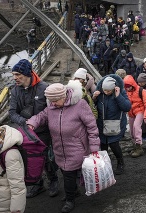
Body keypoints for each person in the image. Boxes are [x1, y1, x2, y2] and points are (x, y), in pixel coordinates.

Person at [27, 82, 100, 213]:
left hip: (77, 147)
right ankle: (74, 191)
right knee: (65, 170)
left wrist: (94, 146)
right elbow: (41, 116)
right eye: (51, 101)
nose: (52, 103)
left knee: (68, 174)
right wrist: (32, 123)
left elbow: (92, 127)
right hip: (59, 148)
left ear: (64, 96)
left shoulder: (80, 105)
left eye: (55, 100)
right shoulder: (51, 106)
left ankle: (70, 200)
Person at [9, 59, 59, 198]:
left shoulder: (44, 88)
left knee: (45, 156)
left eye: (18, 74)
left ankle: (53, 180)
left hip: (43, 130)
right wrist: (24, 121)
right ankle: (38, 183)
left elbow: (52, 110)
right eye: (13, 74)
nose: (15, 78)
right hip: (25, 131)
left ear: (27, 73)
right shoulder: (15, 91)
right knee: (30, 158)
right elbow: (12, 112)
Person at [92, 75, 131, 174]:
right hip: (101, 124)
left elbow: (127, 107)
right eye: (105, 90)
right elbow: (92, 106)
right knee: (103, 145)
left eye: (109, 91)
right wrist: (94, 98)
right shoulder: (100, 92)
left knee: (114, 144)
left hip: (115, 124)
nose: (106, 92)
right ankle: (105, 165)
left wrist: (118, 96)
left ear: (113, 88)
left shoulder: (120, 92)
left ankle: (120, 162)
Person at [123, 75, 146, 158]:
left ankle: (139, 147)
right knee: (131, 130)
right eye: (126, 87)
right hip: (131, 112)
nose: (127, 88)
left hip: (140, 111)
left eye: (129, 86)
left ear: (132, 84)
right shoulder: (125, 91)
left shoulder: (141, 91)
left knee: (136, 126)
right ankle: (135, 146)